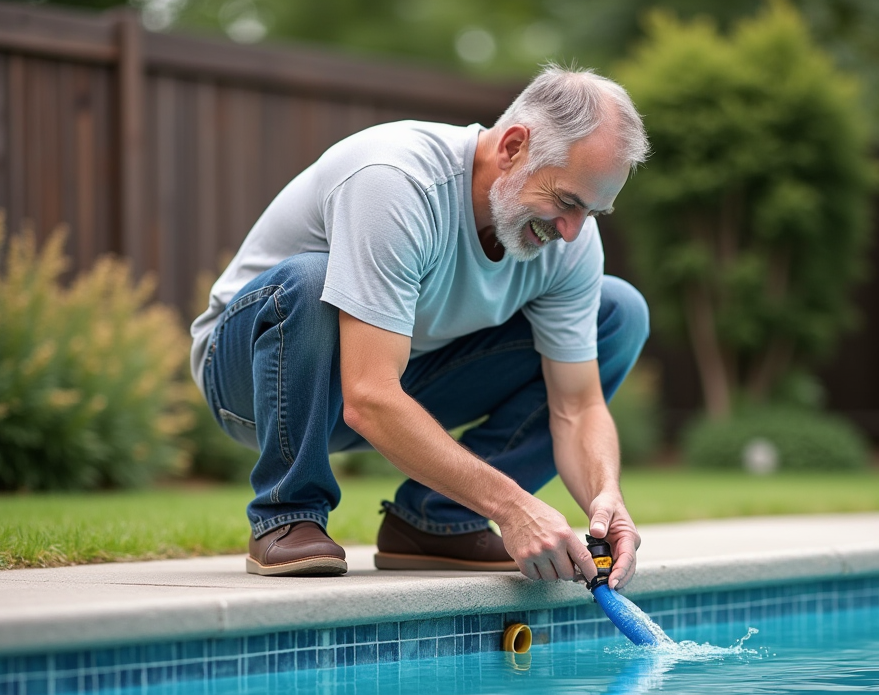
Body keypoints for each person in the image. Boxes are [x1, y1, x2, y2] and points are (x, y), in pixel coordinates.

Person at [189, 65, 650, 588]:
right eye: (567, 201)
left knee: (618, 312)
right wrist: (513, 507)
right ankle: (287, 513)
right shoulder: (396, 180)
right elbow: (368, 396)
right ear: (513, 147)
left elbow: (578, 406)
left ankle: (436, 522)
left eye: (592, 212)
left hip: (394, 376)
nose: (571, 233)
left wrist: (605, 498)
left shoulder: (571, 244)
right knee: (313, 276)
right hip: (253, 381)